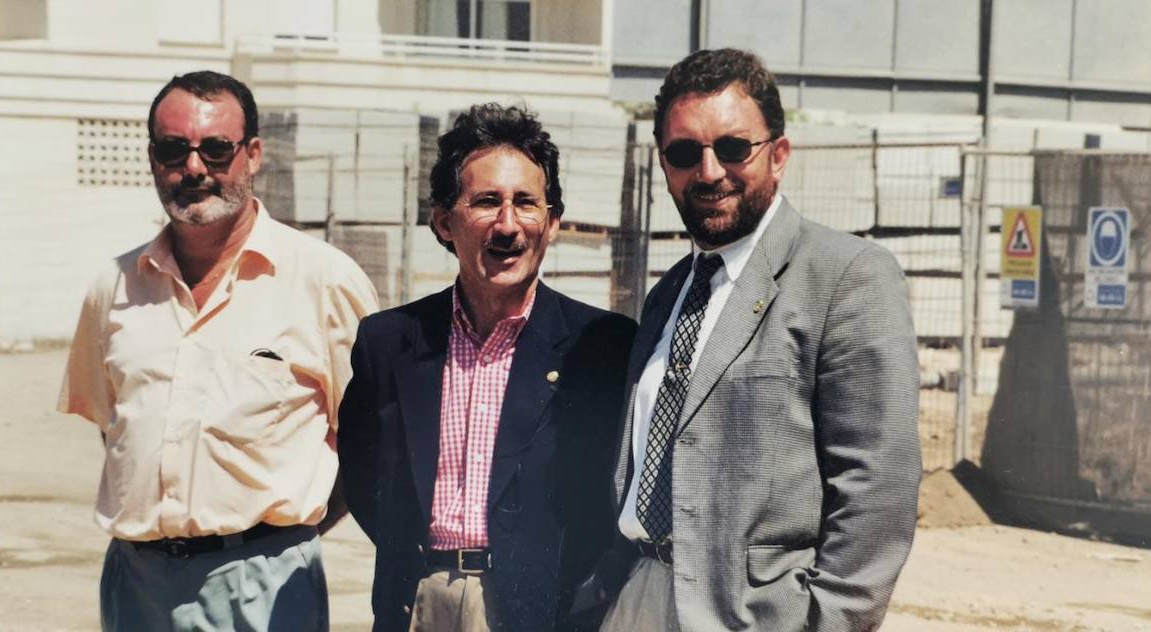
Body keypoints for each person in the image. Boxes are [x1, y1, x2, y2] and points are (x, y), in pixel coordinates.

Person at [602, 48, 921, 632]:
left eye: (731, 147)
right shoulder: (669, 293)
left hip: (755, 617)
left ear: (778, 154)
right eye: (683, 153)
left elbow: (878, 492)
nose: (709, 172)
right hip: (639, 596)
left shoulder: (846, 276)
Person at [57, 70, 378, 632]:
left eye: (216, 149)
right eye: (174, 149)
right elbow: (115, 427)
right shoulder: (113, 286)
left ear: (252, 155)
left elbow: (371, 438)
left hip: (267, 584)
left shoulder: (324, 280)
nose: (195, 168)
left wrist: (277, 538)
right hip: (136, 584)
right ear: (153, 155)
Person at [338, 103, 636, 631]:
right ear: (443, 221)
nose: (508, 226)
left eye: (526, 203)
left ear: (552, 222)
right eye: (485, 202)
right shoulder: (388, 342)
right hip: (417, 601)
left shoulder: (602, 347)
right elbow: (364, 476)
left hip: (542, 608)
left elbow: (611, 491)